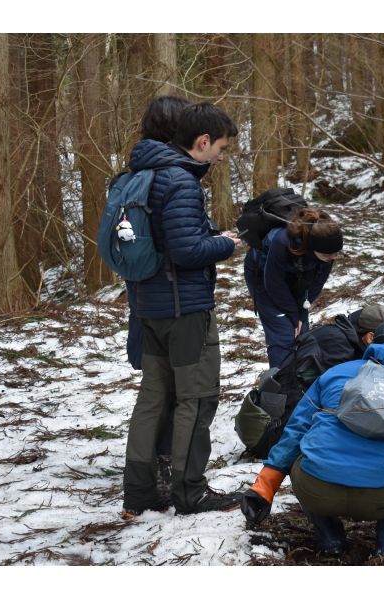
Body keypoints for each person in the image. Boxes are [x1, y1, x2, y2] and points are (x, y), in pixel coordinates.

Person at [240, 318, 384, 563]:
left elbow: (294, 434)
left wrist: (264, 488)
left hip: (319, 491)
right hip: (382, 497)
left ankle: (330, 539)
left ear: (373, 343)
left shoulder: (334, 374)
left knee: (308, 446)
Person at [121, 102, 244, 519]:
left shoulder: (141, 174)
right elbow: (187, 250)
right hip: (185, 308)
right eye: (222, 148)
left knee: (153, 398)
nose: (222, 157)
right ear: (203, 141)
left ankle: (138, 494)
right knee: (198, 397)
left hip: (148, 306)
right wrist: (227, 243)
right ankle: (189, 491)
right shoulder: (181, 181)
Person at [124, 95, 192, 498]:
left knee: (154, 390)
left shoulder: (135, 172)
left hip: (142, 295)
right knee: (179, 391)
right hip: (173, 298)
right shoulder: (172, 174)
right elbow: (180, 245)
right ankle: (168, 474)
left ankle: (142, 482)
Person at [235, 303, 384, 458]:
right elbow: (338, 402)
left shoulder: (341, 336)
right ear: (370, 337)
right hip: (274, 435)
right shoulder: (339, 348)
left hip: (275, 422)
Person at [243, 207, 344, 368]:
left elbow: (316, 283)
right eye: (327, 255)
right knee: (283, 335)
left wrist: (302, 312)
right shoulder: (283, 242)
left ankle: (301, 380)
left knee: (302, 334)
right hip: (262, 276)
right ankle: (281, 386)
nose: (333, 258)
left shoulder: (327, 252)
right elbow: (273, 283)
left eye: (335, 254)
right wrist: (292, 313)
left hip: (296, 276)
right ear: (312, 246)